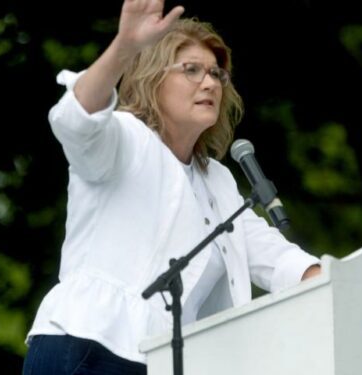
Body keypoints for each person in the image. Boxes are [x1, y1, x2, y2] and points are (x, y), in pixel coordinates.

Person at [22, 1, 322, 374]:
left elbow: (274, 257)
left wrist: (337, 284)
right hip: (89, 344)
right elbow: (76, 121)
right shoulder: (124, 137)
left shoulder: (217, 179)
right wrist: (124, 47)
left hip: (167, 361)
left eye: (216, 74)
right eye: (192, 70)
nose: (210, 82)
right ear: (152, 78)